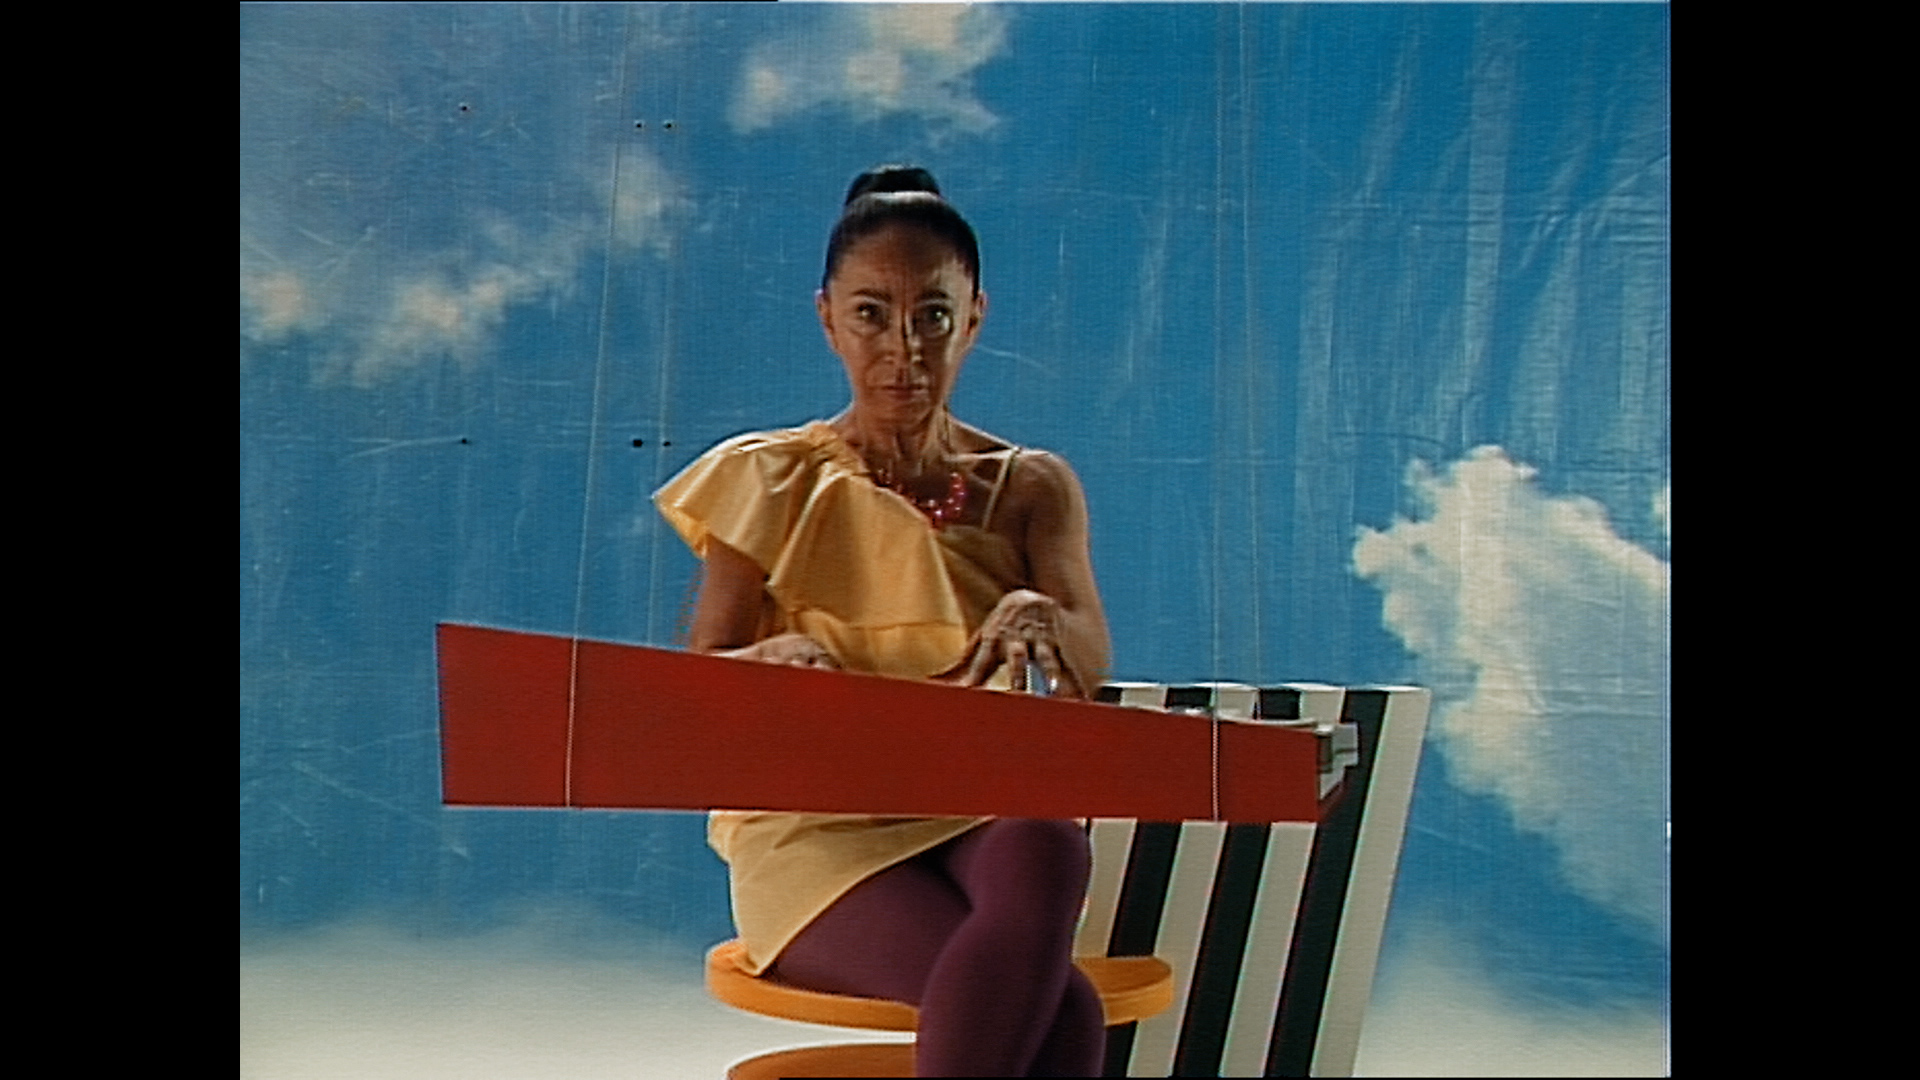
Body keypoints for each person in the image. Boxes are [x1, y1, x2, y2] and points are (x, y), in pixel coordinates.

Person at [654, 165, 1112, 1077]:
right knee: (1064, 1012)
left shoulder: (1031, 486)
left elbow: (1090, 663)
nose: (903, 346)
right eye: (871, 314)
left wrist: (1041, 616)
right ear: (828, 318)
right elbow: (700, 677)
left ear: (975, 317)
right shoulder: (768, 476)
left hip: (970, 806)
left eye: (932, 316)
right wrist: (766, 656)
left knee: (1048, 843)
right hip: (812, 829)